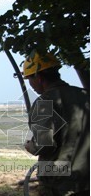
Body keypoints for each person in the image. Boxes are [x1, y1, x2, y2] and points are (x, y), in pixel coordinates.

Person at [23, 52, 89, 196]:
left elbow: (44, 145)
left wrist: (30, 146)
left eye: (29, 78)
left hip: (59, 182)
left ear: (39, 77)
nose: (30, 84)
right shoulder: (85, 95)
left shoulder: (44, 102)